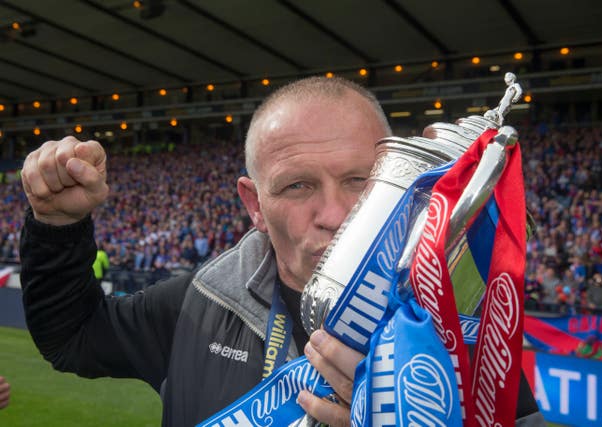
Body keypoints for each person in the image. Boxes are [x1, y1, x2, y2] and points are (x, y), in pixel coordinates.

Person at [20, 77, 542, 426]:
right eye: (297, 186)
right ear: (254, 203)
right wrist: (58, 225)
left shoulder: (455, 332)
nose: (335, 214)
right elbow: (72, 337)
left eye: (360, 180)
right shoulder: (200, 304)